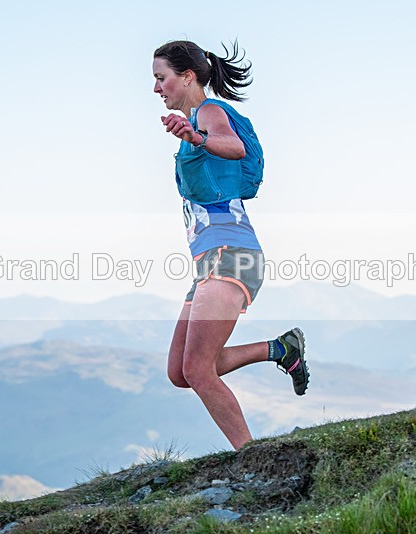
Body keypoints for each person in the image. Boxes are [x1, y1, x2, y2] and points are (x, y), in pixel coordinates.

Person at [153, 39, 310, 450]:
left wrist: (197, 137)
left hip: (231, 256)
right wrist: (192, 135)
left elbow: (234, 147)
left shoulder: (209, 112)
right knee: (181, 371)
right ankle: (280, 349)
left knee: (198, 370)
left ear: (187, 76)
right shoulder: (195, 121)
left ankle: (249, 457)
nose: (156, 88)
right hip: (211, 261)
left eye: (161, 78)